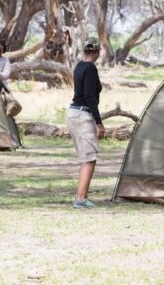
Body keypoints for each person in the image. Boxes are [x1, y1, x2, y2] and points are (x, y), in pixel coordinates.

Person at [67, 36, 105, 209]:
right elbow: (90, 97)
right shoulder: (90, 68)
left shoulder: (79, 66)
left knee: (85, 157)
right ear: (97, 52)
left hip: (73, 113)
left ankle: (80, 196)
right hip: (83, 115)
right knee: (89, 158)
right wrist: (98, 123)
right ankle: (80, 199)